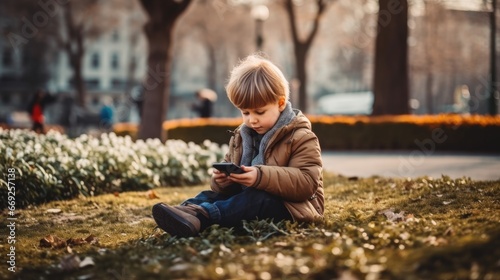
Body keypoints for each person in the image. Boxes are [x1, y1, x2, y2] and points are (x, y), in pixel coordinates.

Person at [152, 54, 324, 237]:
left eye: (259, 112)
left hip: (292, 207)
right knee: (210, 196)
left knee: (258, 199)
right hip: (249, 197)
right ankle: (187, 212)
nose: (252, 120)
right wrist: (222, 182)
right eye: (245, 112)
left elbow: (307, 183)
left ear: (281, 103)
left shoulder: (301, 136)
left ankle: (200, 218)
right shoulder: (242, 136)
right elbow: (225, 189)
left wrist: (260, 176)